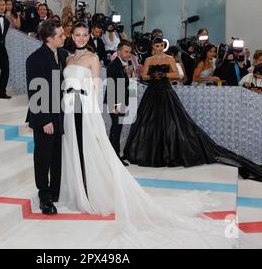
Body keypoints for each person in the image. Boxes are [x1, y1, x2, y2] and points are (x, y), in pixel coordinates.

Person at [58, 24, 239, 248]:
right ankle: (77, 191)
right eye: (77, 34)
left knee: (89, 149)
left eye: (85, 35)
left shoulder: (93, 58)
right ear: (71, 36)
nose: (81, 38)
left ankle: (90, 193)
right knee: (73, 148)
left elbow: (95, 88)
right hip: (68, 108)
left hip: (85, 108)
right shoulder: (67, 59)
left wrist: (95, 117)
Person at [122, 37, 262, 189]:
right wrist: (152, 77)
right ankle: (150, 152)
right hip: (152, 93)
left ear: (163, 46)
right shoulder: (149, 60)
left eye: (161, 45)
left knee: (172, 123)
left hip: (165, 91)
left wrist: (163, 75)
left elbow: (177, 75)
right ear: (152, 47)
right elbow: (143, 76)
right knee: (149, 123)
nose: (159, 48)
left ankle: (167, 152)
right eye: (156, 46)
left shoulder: (169, 58)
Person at [26, 20, 67, 215]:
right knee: (43, 158)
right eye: (61, 35)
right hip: (45, 116)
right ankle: (44, 196)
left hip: (60, 114)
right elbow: (35, 92)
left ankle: (55, 192)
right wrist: (45, 119)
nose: (64, 37)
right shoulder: (35, 59)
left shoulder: (63, 54)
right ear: (50, 38)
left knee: (57, 157)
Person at [104, 40, 132, 166]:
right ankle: (115, 156)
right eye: (126, 52)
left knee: (116, 128)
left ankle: (113, 155)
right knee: (116, 129)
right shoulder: (114, 65)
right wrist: (116, 104)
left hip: (118, 100)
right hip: (115, 101)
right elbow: (113, 86)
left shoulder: (121, 64)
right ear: (119, 51)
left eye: (129, 52)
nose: (128, 55)